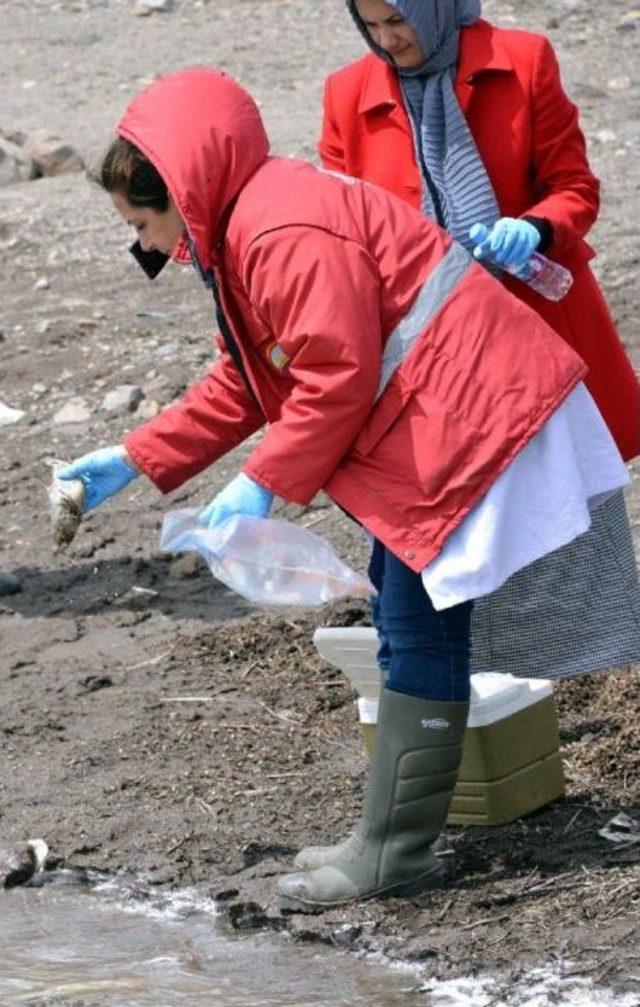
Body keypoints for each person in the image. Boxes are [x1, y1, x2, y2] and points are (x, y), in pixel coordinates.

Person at [58, 67, 636, 912]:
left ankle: (394, 852)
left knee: (417, 623)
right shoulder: (250, 220)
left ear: (184, 188)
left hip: (466, 415)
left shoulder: (278, 228)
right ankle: (387, 835)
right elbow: (254, 379)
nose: (148, 246)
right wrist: (137, 456)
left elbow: (335, 372)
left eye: (145, 223)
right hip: (440, 416)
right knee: (409, 623)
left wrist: (261, 484)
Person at [319, 0, 640, 464]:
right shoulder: (346, 94)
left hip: (538, 323)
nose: (386, 41)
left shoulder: (523, 61)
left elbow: (575, 188)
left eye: (396, 22)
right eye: (369, 26)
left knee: (572, 492)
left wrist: (534, 228)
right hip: (436, 346)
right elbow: (344, 229)